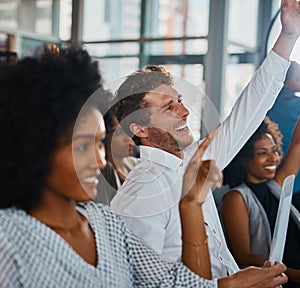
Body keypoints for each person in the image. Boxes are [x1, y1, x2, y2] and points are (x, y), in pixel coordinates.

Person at [0, 46, 271, 287]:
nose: (100, 161)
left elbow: (175, 281)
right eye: (83, 146)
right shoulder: (8, 242)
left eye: (99, 144)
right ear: (35, 148)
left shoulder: (104, 222)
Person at [110, 0, 300, 284]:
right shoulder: (141, 193)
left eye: (180, 101)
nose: (184, 111)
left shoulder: (191, 160)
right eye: (168, 107)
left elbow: (247, 113)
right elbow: (140, 283)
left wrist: (288, 35)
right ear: (140, 128)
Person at [221, 117, 300, 287]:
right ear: (243, 159)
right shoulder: (236, 197)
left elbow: (297, 143)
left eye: (274, 151)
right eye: (262, 153)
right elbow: (243, 255)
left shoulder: (276, 184)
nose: (273, 158)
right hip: (279, 280)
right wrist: (293, 274)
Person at [267, 61, 300, 193]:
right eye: (298, 79)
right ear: (284, 81)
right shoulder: (295, 105)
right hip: (291, 170)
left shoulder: (267, 103)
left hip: (269, 168)